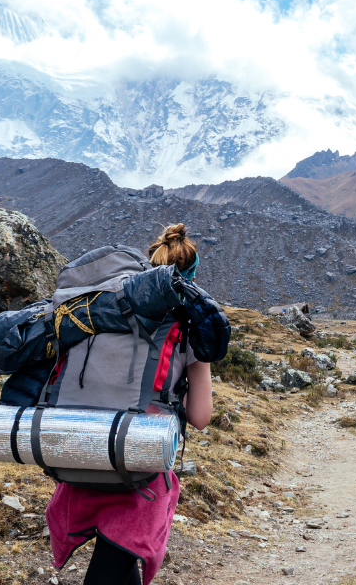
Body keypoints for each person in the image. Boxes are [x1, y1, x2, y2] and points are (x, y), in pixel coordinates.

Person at [45, 224, 214, 585]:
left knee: (119, 566)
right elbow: (200, 417)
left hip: (79, 450)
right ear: (191, 278)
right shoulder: (185, 329)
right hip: (139, 468)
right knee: (112, 567)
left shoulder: (98, 312)